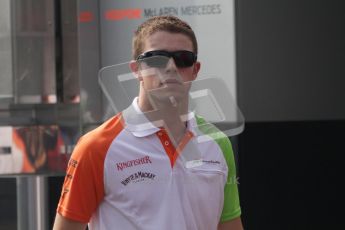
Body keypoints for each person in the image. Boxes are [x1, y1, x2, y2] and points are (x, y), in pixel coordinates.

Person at [53, 15, 243, 230]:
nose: (171, 67)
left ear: (195, 70)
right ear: (136, 70)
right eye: (156, 58)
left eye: (182, 59)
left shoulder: (218, 143)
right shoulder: (96, 146)